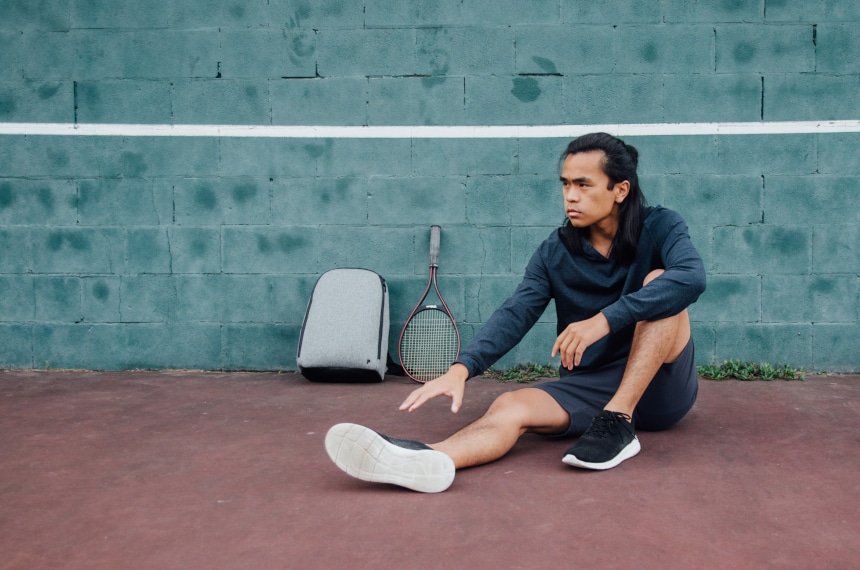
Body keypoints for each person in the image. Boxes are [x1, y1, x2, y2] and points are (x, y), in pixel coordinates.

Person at [324, 132, 706, 493]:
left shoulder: (661, 225)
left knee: (663, 284)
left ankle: (618, 422)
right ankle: (429, 459)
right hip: (593, 384)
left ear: (620, 189)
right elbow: (517, 311)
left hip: (660, 389)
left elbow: (692, 278)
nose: (570, 196)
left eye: (583, 185)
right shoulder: (554, 251)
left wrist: (603, 320)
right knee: (509, 405)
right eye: (565, 184)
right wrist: (463, 368)